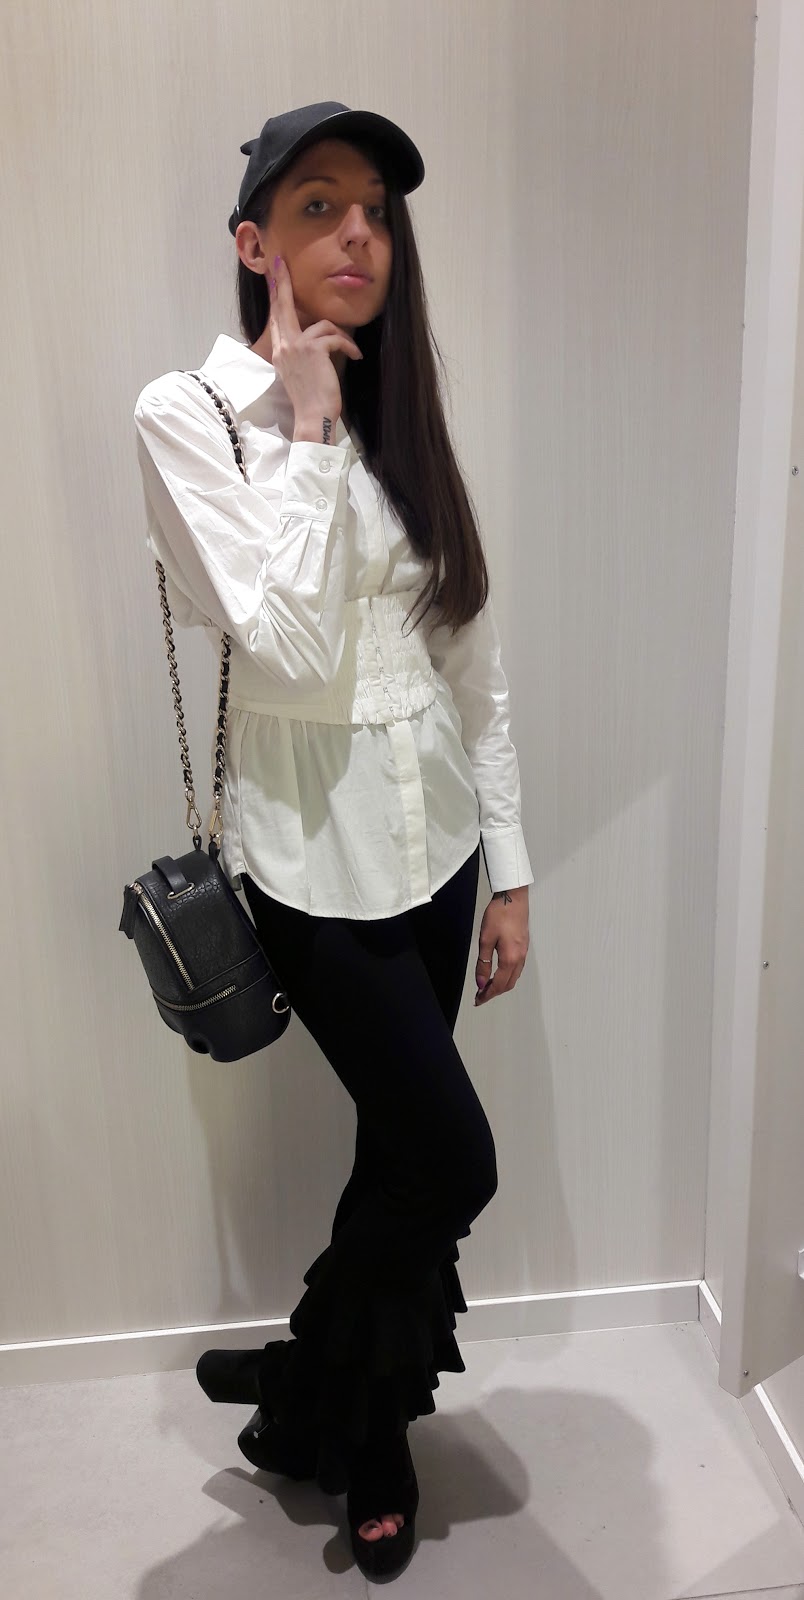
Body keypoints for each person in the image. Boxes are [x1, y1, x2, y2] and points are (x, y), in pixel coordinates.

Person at [133, 101, 534, 1581]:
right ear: (256, 243)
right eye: (320, 205)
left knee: (399, 1159)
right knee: (454, 1156)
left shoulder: (402, 415)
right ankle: (340, 1406)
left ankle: (328, 1395)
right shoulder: (190, 414)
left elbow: (469, 655)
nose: (358, 232)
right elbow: (289, 649)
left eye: (375, 209)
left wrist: (513, 865)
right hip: (310, 868)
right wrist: (304, 424)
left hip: (438, 852)